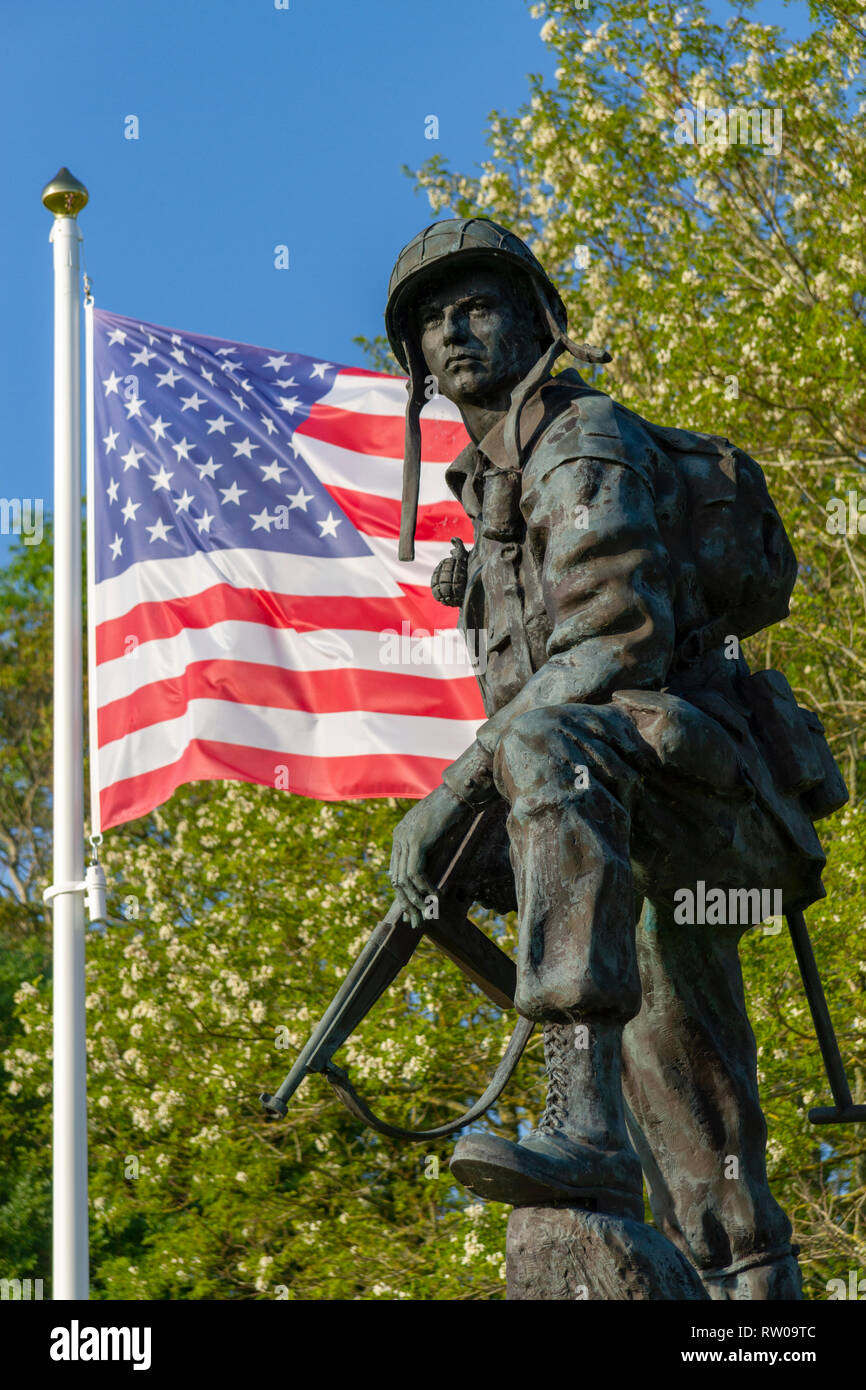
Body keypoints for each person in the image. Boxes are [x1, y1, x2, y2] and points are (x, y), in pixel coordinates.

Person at [384, 217, 847, 1299]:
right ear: (411, 364)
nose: (454, 330)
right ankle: (744, 1285)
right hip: (631, 800)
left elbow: (614, 636)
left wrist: (457, 788)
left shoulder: (577, 440)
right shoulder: (490, 492)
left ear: (537, 321)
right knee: (679, 1073)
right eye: (430, 320)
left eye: (478, 304)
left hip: (694, 788)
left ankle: (577, 1123)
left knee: (547, 751)